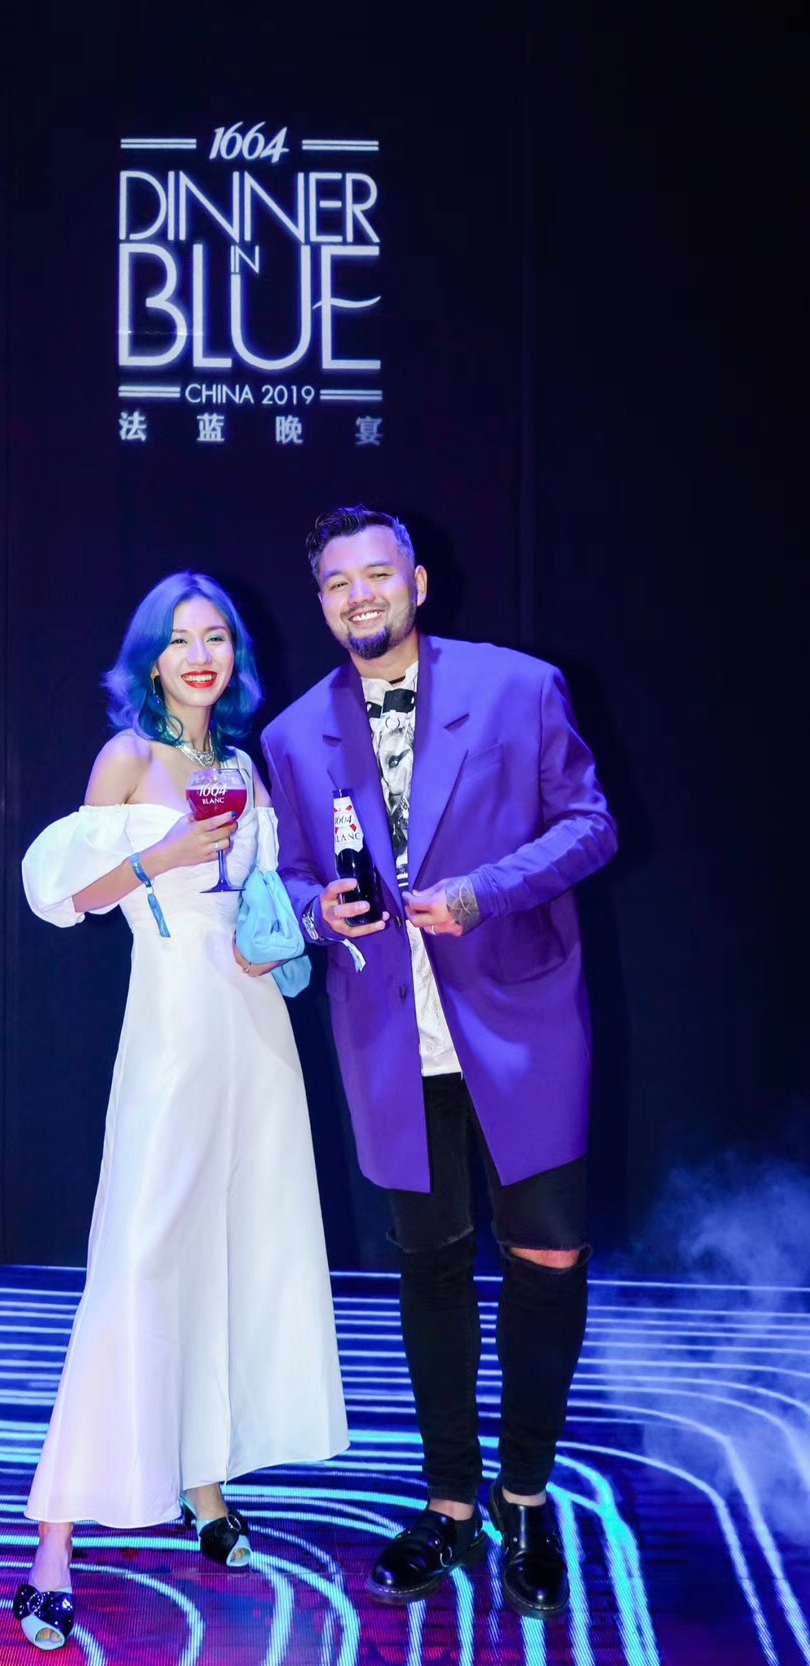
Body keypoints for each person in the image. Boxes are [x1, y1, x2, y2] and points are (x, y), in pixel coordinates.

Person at [261, 507, 617, 1619]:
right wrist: (317, 911)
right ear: (322, 602)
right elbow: (294, 880)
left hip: (522, 1017)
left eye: (376, 574)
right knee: (429, 1265)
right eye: (337, 583)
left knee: (547, 1254)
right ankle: (453, 1502)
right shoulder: (290, 735)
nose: (358, 595)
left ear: (416, 580)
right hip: (389, 1030)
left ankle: (526, 1495)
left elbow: (591, 824)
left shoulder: (520, 686)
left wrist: (483, 891)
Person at [16, 572, 348, 1651]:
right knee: (139, 1260)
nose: (201, 656)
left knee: (234, 1251)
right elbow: (68, 895)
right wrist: (159, 853)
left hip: (254, 1032)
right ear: (151, 659)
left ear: (234, 656)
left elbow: (257, 909)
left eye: (217, 638)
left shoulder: (242, 768)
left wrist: (306, 926)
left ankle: (203, 1485)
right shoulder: (128, 758)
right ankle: (53, 1545)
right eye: (180, 640)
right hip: (169, 1034)